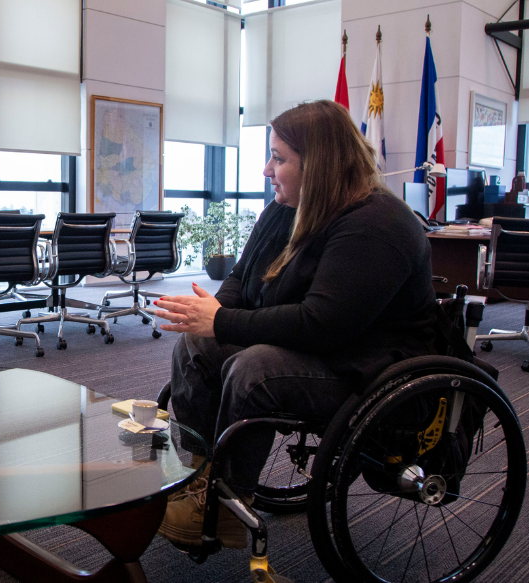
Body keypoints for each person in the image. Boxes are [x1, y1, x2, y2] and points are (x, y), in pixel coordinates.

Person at [152, 100, 437, 550]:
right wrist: (211, 316)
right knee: (195, 346)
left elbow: (322, 325)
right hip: (317, 347)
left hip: (368, 365)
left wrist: (223, 321)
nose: (267, 169)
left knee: (255, 368)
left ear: (318, 164)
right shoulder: (286, 209)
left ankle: (228, 505)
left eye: (279, 158)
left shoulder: (377, 224)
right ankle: (203, 478)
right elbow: (242, 278)